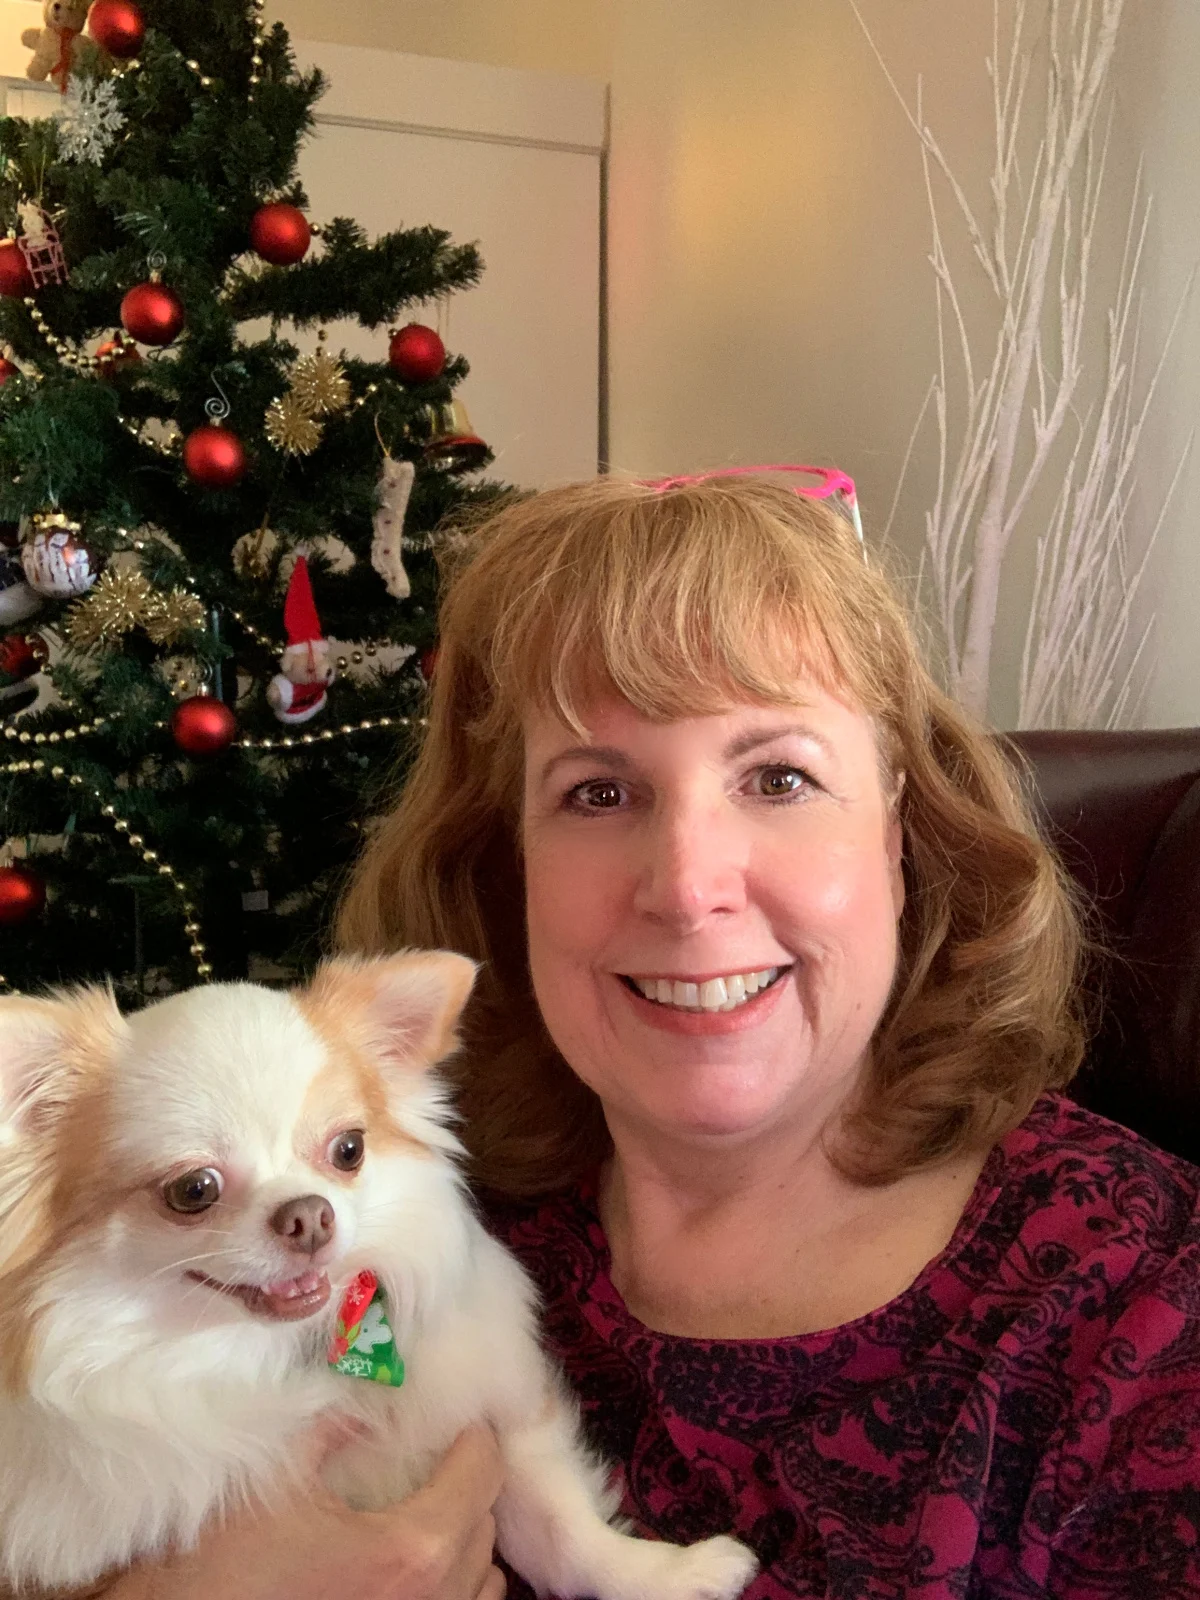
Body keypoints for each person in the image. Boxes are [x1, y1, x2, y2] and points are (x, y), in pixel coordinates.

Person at [101, 471, 1200, 1599]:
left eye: (780, 777)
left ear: (902, 834)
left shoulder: (1145, 1315)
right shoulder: (384, 1211)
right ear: (508, 863)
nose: (684, 887)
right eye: (598, 793)